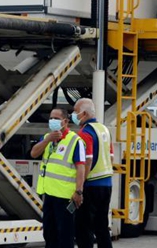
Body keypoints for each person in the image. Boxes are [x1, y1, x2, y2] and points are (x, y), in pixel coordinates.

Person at [31, 107, 86, 248]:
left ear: (65, 121)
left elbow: (81, 167)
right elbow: (34, 153)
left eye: (56, 119)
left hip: (65, 197)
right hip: (49, 194)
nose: (52, 121)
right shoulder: (47, 138)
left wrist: (79, 191)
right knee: (49, 234)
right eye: (50, 118)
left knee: (65, 236)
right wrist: (47, 140)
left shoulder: (75, 141)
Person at [72, 98, 114, 248]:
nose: (74, 115)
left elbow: (87, 161)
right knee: (102, 227)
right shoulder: (104, 129)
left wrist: (80, 187)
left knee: (83, 228)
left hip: (91, 186)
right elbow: (111, 156)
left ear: (83, 113)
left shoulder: (85, 133)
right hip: (107, 184)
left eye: (75, 112)